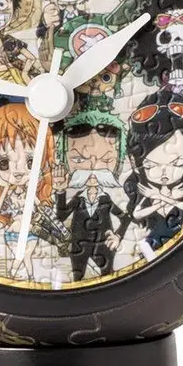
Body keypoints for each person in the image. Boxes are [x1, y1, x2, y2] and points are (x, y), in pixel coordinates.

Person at [0, 104, 68, 280]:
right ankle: (23, 277)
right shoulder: (8, 193)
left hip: (31, 230)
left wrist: (34, 193)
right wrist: (5, 188)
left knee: (26, 256)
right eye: (4, 163)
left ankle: (20, 276)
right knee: (23, 256)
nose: (18, 171)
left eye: (30, 162)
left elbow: (40, 207)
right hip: (12, 231)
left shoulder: (33, 191)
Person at [53, 111, 129, 282]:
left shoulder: (106, 199)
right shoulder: (78, 199)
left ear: (118, 162)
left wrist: (118, 236)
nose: (93, 168)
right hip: (77, 247)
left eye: (105, 160)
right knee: (77, 280)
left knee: (109, 280)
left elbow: (125, 217)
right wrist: (60, 191)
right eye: (79, 160)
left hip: (104, 247)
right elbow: (61, 216)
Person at [124, 90, 183, 252]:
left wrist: (161, 197)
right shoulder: (141, 195)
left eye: (176, 164)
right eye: (151, 166)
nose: (164, 173)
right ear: (134, 163)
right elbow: (137, 214)